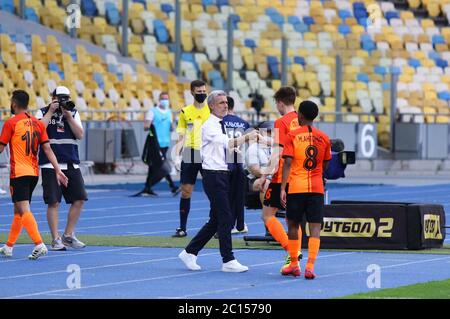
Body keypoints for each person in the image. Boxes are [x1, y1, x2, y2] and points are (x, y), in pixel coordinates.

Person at [178, 90, 260, 272]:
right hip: (213, 175)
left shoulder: (220, 124)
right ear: (212, 106)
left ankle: (190, 252)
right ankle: (228, 259)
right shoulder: (209, 125)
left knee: (216, 220)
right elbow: (227, 143)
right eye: (221, 103)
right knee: (225, 216)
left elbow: (228, 147)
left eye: (226, 102)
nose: (225, 105)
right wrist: (247, 137)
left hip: (223, 174)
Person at [0, 90, 68, 259]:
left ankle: (39, 243)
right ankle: (9, 247)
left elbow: (0, 147)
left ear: (14, 104)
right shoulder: (37, 124)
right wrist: (58, 169)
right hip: (33, 172)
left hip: (19, 173)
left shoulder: (11, 123)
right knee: (18, 210)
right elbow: (47, 148)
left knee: (23, 210)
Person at [280, 100, 331, 278]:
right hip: (317, 188)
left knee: (293, 224)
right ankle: (310, 266)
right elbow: (325, 165)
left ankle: (294, 264)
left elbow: (287, 162)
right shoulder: (324, 138)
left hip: (296, 187)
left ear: (300, 115)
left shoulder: (292, 135)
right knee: (315, 228)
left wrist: (282, 188)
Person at [35, 86, 87, 251]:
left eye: (66, 98)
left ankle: (68, 235)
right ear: (53, 98)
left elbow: (80, 135)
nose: (64, 101)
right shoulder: (42, 112)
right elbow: (37, 130)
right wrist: (51, 112)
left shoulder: (73, 112)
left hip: (71, 162)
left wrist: (69, 118)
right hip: (50, 164)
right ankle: (55, 238)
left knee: (79, 198)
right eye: (61, 98)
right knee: (54, 202)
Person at [259, 87, 300, 268]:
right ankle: (295, 261)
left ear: (280, 102)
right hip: (299, 175)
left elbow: (278, 152)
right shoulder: (302, 119)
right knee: (293, 219)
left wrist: (265, 175)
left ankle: (292, 252)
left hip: (281, 176)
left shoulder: (280, 122)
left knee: (268, 215)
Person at [172, 80, 210, 237]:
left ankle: (215, 225)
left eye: (204, 91)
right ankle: (182, 228)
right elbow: (181, 135)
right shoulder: (185, 111)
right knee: (186, 191)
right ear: (192, 93)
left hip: (208, 152)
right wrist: (176, 155)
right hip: (190, 153)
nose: (202, 94)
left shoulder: (212, 110)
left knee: (213, 191)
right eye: (199, 92)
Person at [135, 92, 179, 196]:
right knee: (162, 165)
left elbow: (171, 128)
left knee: (154, 166)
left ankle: (147, 187)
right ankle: (172, 187)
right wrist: (149, 125)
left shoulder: (169, 112)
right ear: (159, 100)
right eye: (163, 98)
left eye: (166, 99)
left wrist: (176, 124)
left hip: (165, 143)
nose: (165, 101)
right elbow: (146, 126)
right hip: (155, 144)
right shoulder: (152, 112)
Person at [223, 96, 250, 234]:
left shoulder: (220, 122)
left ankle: (226, 222)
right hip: (240, 163)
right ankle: (240, 224)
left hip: (224, 163)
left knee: (225, 196)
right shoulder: (244, 123)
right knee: (239, 196)